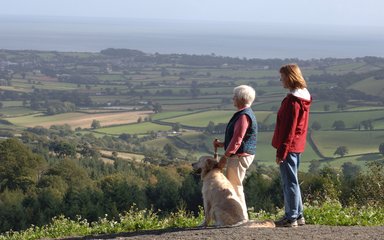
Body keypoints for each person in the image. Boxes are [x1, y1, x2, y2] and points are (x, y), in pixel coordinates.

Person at [272, 64, 312, 227]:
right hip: (297, 145)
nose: (281, 80)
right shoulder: (303, 98)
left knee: (289, 182)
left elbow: (288, 129)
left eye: (282, 77)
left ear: (289, 77)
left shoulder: (292, 102)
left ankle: (291, 217)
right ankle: (298, 215)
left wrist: (281, 152)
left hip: (289, 147)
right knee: (292, 181)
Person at [213, 85, 257, 220]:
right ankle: (241, 217)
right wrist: (222, 144)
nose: (233, 98)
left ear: (241, 98)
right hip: (241, 154)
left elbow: (238, 140)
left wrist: (224, 157)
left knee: (235, 186)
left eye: (234, 96)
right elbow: (237, 139)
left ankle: (242, 218)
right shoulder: (245, 114)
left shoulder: (243, 116)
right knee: (235, 185)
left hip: (239, 156)